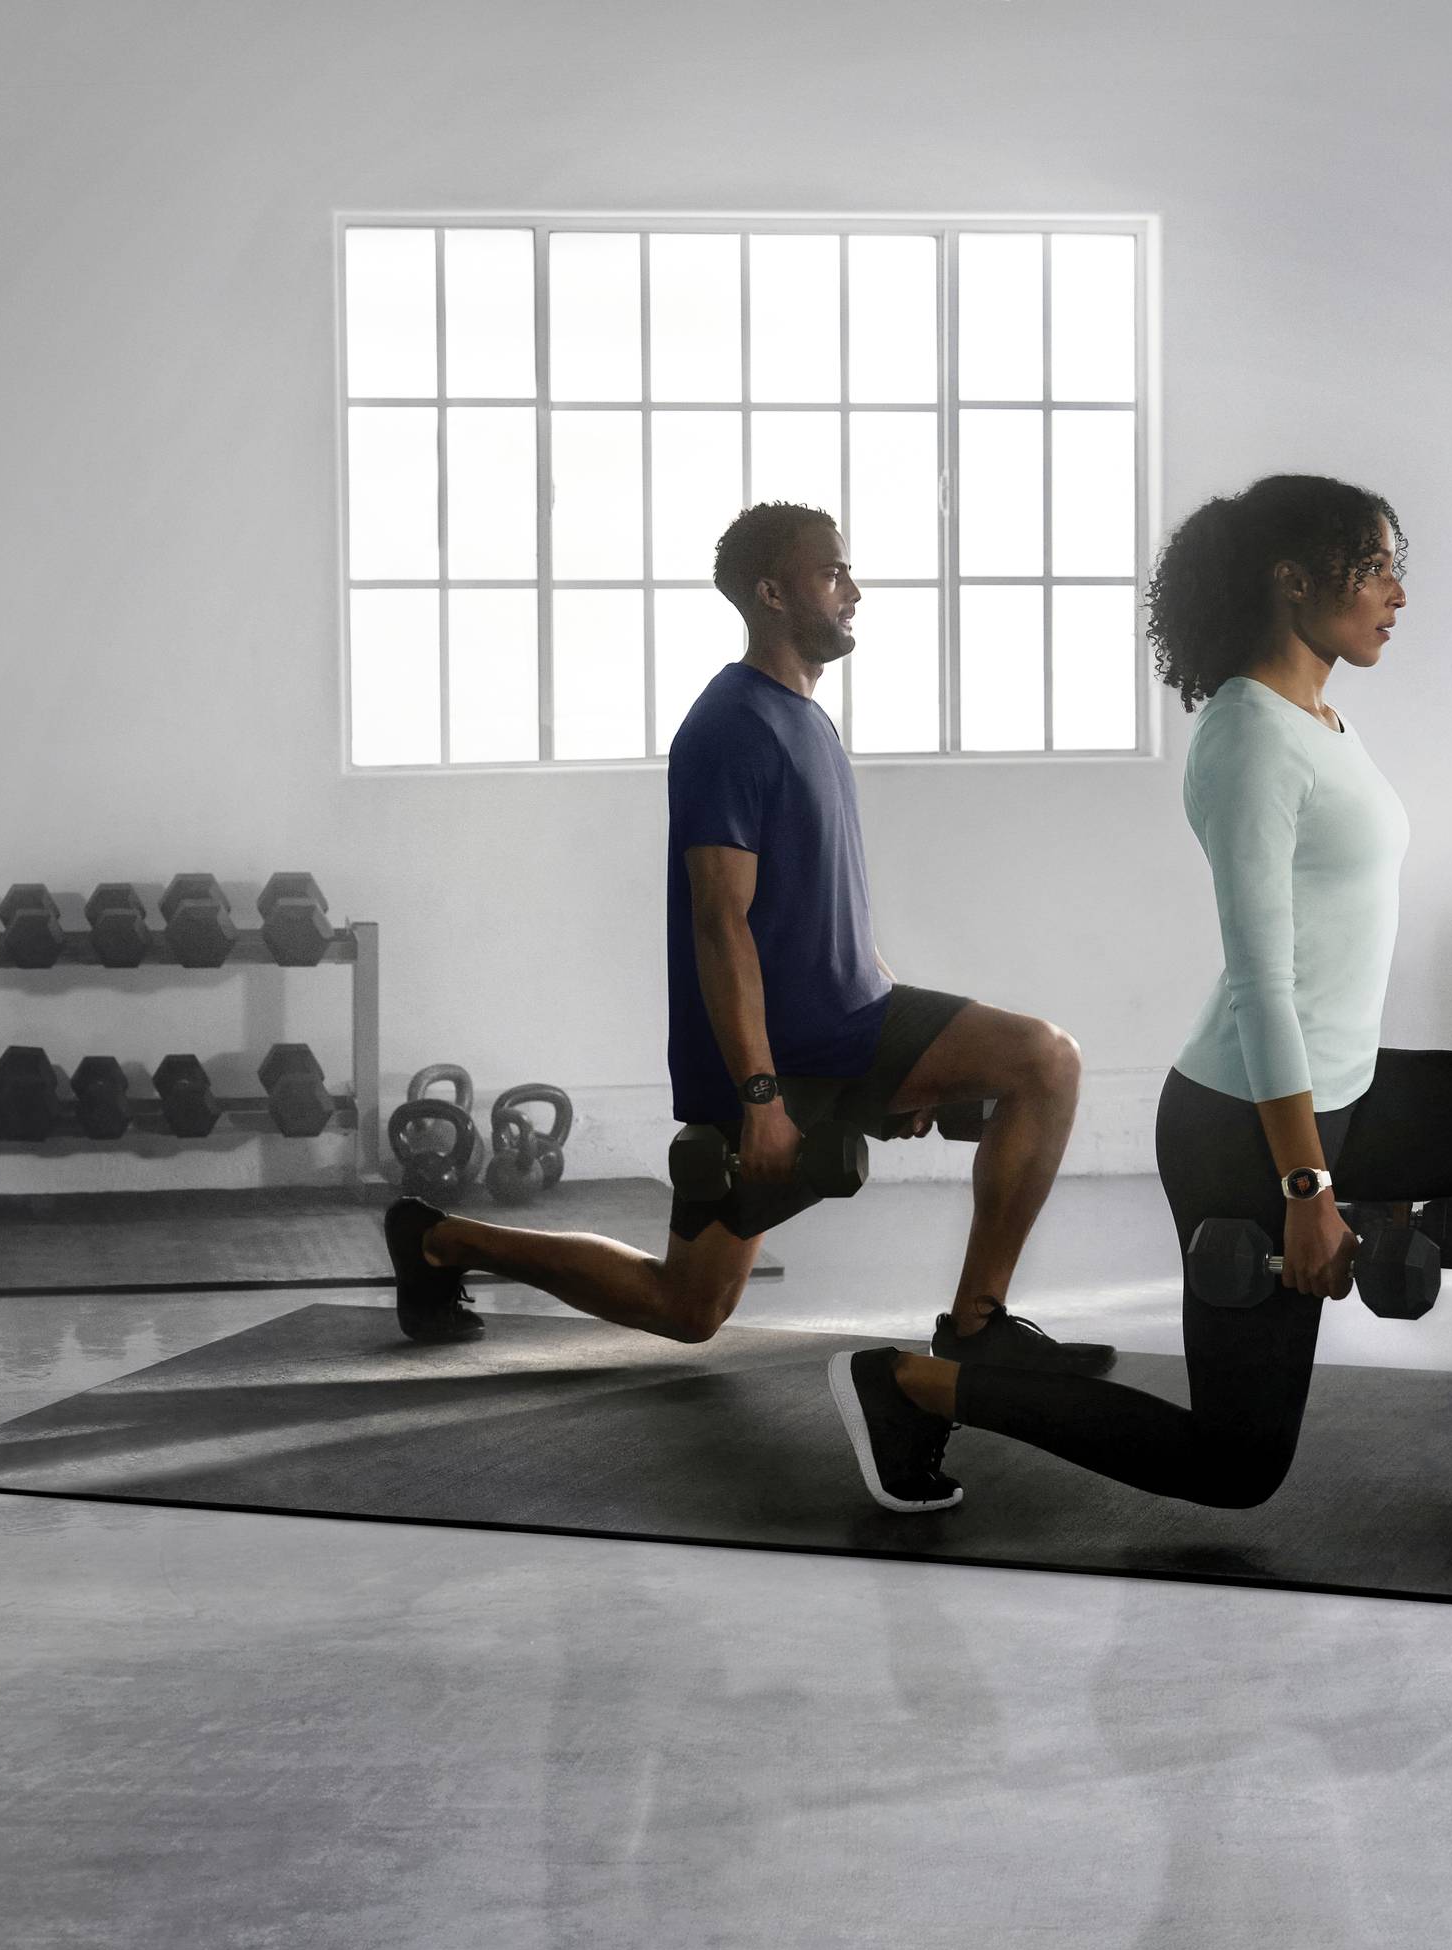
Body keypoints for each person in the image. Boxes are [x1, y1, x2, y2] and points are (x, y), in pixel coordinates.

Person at [824, 473, 1452, 1545]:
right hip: (1246, 1129)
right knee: (1234, 1464)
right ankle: (910, 1385)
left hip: (1348, 1088)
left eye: (1393, 569)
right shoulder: (1247, 738)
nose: (1397, 594)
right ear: (1293, 578)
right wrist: (1310, 1185)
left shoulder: (1318, 716)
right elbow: (1262, 978)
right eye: (1375, 567)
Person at [384, 500, 1113, 1383]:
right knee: (690, 1305)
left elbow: (829, 917)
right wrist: (761, 1096)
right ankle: (440, 1242)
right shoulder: (730, 726)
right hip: (787, 1057)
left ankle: (437, 1241)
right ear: (772, 592)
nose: (855, 590)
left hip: (851, 1032)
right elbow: (718, 920)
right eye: (832, 572)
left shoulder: (809, 719)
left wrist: (916, 1061)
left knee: (1037, 1064)